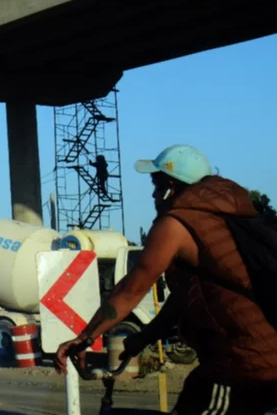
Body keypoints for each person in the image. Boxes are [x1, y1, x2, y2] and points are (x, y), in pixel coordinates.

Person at [55, 144, 277, 414]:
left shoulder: (177, 224)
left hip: (242, 367)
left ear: (171, 186)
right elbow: (185, 299)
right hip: (255, 358)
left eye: (157, 187)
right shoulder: (225, 217)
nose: (153, 195)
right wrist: (144, 337)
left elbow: (131, 290)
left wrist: (85, 337)